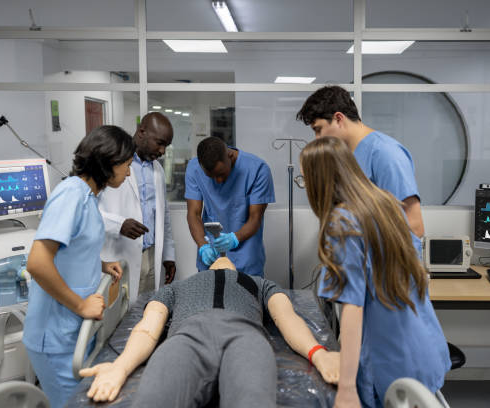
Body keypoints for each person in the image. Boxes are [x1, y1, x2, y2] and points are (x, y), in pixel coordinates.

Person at [300, 137, 451, 408]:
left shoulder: (342, 223)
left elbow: (353, 308)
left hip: (390, 357)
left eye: (305, 179)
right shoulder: (384, 202)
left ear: (319, 179)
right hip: (423, 347)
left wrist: (346, 388)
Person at [79, 256, 340, 407]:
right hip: (188, 338)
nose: (223, 257)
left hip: (245, 337)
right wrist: (120, 367)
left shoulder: (261, 284)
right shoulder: (176, 287)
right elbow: (148, 326)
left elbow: (286, 318)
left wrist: (318, 353)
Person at [23, 125, 136, 408]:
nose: (129, 173)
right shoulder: (70, 194)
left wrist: (101, 264)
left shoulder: (88, 196)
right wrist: (80, 306)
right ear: (109, 162)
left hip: (73, 331)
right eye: (127, 165)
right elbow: (37, 263)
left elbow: (71, 246)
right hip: (56, 336)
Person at [297, 85, 425, 253]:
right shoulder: (347, 156)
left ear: (338, 119)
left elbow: (414, 226)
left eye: (318, 130)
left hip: (389, 271)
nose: (317, 138)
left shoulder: (385, 153)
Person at [98, 112, 176, 303]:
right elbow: (87, 212)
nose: (163, 151)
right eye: (160, 143)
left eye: (166, 145)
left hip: (150, 255)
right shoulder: (110, 162)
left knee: (144, 312)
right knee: (117, 317)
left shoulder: (156, 169)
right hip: (117, 254)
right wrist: (119, 224)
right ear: (141, 132)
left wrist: (168, 254)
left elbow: (162, 214)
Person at [185, 137, 275, 276]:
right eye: (211, 177)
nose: (218, 181)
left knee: (247, 296)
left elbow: (255, 218)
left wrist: (234, 238)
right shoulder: (194, 168)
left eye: (221, 174)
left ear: (230, 155)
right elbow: (194, 214)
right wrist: (203, 246)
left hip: (246, 259)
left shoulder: (258, 170)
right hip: (211, 257)